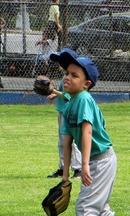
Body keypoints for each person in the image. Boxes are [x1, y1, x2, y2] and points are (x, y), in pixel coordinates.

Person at [49, 49, 130, 216]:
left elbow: (86, 133)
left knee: (86, 206)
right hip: (96, 160)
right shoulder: (69, 103)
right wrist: (66, 176)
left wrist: (85, 165)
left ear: (86, 83)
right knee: (99, 206)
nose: (67, 77)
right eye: (67, 73)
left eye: (75, 75)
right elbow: (67, 141)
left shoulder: (84, 100)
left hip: (101, 160)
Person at [46, 49, 82, 179]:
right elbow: (64, 93)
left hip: (70, 111)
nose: (59, 63)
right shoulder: (66, 75)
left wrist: (54, 91)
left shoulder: (73, 76)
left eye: (62, 61)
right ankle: (62, 168)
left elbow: (69, 95)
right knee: (62, 141)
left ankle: (78, 169)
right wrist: (54, 94)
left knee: (72, 141)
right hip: (63, 110)